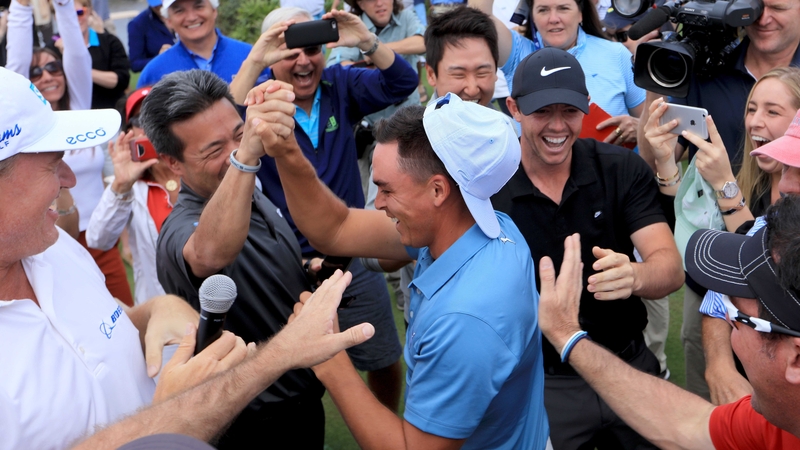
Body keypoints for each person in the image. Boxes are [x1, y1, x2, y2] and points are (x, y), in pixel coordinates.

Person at [250, 83, 549, 447]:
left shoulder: (464, 320)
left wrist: (327, 356)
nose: (378, 204)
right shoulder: (486, 225)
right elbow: (337, 228)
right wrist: (285, 150)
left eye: (387, 190)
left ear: (438, 191)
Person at [491, 48, 683, 449]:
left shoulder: (619, 167)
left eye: (570, 110)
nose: (558, 126)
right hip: (542, 382)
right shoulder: (489, 187)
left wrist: (635, 275)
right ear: (514, 108)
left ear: (586, 107)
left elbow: (669, 268)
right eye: (543, 111)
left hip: (627, 364)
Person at [233, 7, 419, 412]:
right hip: (287, 263)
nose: (303, 60)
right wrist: (254, 60)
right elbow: (223, 118)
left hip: (350, 255)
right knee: (290, 375)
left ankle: (383, 427)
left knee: (383, 356)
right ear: (270, 57)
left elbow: (403, 82)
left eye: (312, 48)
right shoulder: (259, 96)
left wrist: (367, 41)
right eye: (289, 51)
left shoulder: (341, 84)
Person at [142, 69, 337, 448]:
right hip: (252, 424)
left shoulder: (248, 189)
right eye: (215, 150)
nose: (235, 151)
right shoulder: (180, 226)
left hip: (300, 401)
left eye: (239, 133)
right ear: (173, 163)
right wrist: (245, 155)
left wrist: (307, 271)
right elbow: (208, 253)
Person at [536, 196, 800, 449]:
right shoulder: (781, 418)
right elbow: (688, 423)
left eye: (734, 316)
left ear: (796, 359)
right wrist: (568, 336)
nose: (727, 325)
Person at [635, 0, 800, 400]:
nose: (763, 18)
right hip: (714, 280)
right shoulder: (708, 62)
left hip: (788, 285)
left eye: (776, 6)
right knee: (714, 408)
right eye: (754, 7)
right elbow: (678, 176)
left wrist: (726, 187)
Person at [6, 0, 133, 306]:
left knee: (129, 319)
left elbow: (77, 56)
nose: (47, 76)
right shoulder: (27, 134)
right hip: (51, 240)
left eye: (53, 67)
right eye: (36, 72)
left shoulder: (78, 112)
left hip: (100, 239)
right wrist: (22, 8)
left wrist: (64, 4)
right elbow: (14, 72)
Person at [471, 0, 646, 146]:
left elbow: (653, 125)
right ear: (532, 16)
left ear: (580, 13)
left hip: (614, 179)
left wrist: (638, 129)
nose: (553, 19)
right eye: (543, 10)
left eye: (563, 8)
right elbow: (479, 12)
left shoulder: (616, 54)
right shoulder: (518, 53)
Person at [86, 86, 182, 305]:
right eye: (141, 121)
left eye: (161, 115)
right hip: (162, 313)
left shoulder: (200, 166)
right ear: (129, 133)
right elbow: (98, 239)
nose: (152, 126)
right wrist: (122, 184)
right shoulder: (129, 185)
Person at [137, 0, 267, 87]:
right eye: (179, 11)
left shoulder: (251, 56)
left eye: (198, 6)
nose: (191, 17)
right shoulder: (154, 73)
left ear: (214, 10)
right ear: (168, 21)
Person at [422, 6, 498, 106]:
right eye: (459, 75)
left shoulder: (508, 121)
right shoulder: (420, 122)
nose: (472, 90)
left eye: (482, 73)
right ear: (431, 75)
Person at [67, 0, 130, 109]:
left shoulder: (110, 42)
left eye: (79, 13)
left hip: (110, 111)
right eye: (69, 15)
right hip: (73, 116)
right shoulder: (54, 48)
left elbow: (121, 80)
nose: (75, 19)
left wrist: (81, 70)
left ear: (89, 12)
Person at [127, 0, 176, 72]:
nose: (159, 7)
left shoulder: (185, 16)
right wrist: (159, 59)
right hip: (162, 77)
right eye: (155, 5)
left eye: (163, 4)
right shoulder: (138, 24)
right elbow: (135, 64)